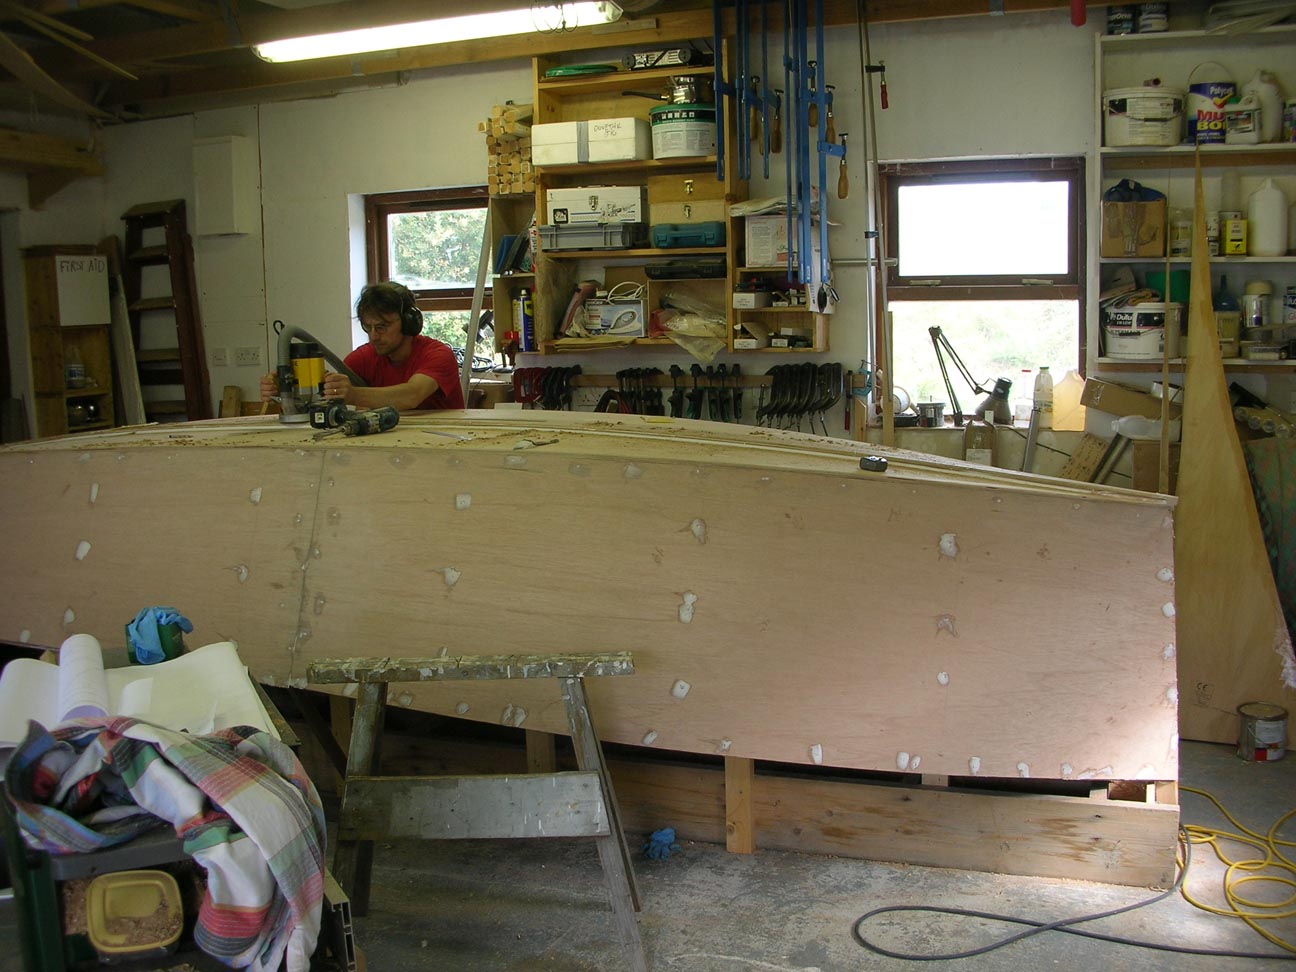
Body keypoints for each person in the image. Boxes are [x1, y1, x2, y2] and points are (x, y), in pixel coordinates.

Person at [260, 281, 465, 411]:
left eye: (382, 327)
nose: (373, 336)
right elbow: (328, 397)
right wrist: (287, 391)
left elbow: (412, 395)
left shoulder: (438, 355)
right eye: (368, 327)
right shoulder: (363, 358)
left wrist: (352, 394)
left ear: (409, 322)